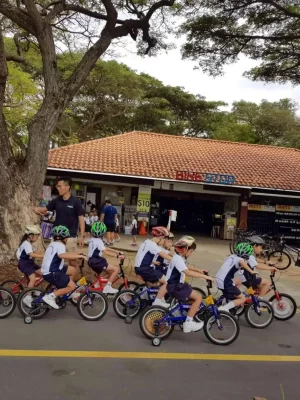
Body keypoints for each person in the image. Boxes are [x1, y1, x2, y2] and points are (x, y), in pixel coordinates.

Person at [33, 177, 85, 279]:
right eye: (57, 186)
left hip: (70, 237)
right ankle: (59, 282)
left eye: (60, 186)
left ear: (67, 187)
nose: (58, 188)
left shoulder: (76, 202)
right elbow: (44, 209)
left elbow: (81, 220)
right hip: (56, 237)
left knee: (73, 263)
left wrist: (82, 236)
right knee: (52, 260)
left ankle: (72, 287)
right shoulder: (56, 201)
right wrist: (35, 208)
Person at [166, 236, 215, 333]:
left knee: (193, 298)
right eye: (191, 251)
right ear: (185, 249)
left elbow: (186, 267)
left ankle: (178, 311)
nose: (191, 253)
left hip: (177, 285)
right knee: (198, 298)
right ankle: (188, 323)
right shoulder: (178, 259)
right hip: (176, 286)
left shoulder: (179, 258)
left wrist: (199, 270)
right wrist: (206, 277)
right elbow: (187, 272)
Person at [41, 225, 87, 310]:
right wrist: (78, 256)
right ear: (63, 238)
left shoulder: (53, 244)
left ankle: (65, 290)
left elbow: (66, 254)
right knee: (72, 286)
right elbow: (62, 255)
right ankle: (50, 297)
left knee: (72, 270)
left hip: (52, 269)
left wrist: (78, 255)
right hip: (53, 272)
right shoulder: (60, 245)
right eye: (66, 237)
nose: (67, 239)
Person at [134, 226, 173, 308]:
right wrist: (176, 261)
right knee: (167, 281)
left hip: (140, 268)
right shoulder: (153, 245)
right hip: (145, 269)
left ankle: (146, 295)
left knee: (156, 283)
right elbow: (164, 255)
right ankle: (158, 301)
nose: (163, 242)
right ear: (161, 237)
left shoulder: (147, 242)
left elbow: (142, 256)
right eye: (164, 239)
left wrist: (153, 262)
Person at [216, 242, 258, 313]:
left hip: (218, 279)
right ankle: (224, 309)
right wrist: (251, 271)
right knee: (242, 298)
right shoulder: (240, 260)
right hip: (225, 282)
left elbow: (239, 271)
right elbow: (242, 263)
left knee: (237, 283)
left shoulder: (231, 257)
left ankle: (227, 301)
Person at [88, 221, 124, 294]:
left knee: (111, 272)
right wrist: (117, 256)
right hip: (97, 261)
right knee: (116, 269)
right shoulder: (99, 241)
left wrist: (116, 251)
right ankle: (108, 287)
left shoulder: (92, 240)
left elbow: (105, 248)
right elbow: (105, 252)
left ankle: (97, 283)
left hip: (92, 261)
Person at [16, 225, 44, 307]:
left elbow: (36, 251)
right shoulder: (26, 244)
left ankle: (34, 290)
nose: (37, 238)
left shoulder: (29, 243)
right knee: (33, 278)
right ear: (30, 235)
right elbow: (31, 254)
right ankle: (27, 298)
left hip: (29, 262)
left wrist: (45, 254)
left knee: (43, 273)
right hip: (24, 263)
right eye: (36, 236)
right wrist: (43, 256)